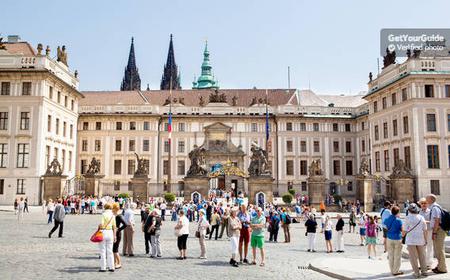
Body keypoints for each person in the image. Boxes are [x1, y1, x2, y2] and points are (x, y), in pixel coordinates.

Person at [404, 203, 428, 278]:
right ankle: (424, 271)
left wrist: (402, 235)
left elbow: (404, 230)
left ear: (409, 210)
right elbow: (425, 230)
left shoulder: (407, 218)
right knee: (422, 256)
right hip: (420, 239)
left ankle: (416, 273)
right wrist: (425, 240)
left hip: (411, 240)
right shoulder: (421, 217)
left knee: (413, 257)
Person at [426, 194, 448, 274]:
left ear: (431, 200)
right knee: (438, 249)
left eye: (427, 198)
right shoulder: (435, 207)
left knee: (439, 250)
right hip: (438, 230)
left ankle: (442, 268)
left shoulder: (434, 208)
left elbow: (437, 220)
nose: (425, 200)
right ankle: (440, 266)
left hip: (438, 230)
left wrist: (434, 232)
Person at [385, 206, 404, 276]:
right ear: (398, 212)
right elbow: (402, 230)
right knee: (397, 255)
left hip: (389, 238)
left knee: (390, 255)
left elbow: (386, 227)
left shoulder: (388, 219)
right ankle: (395, 271)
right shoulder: (399, 220)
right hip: (397, 239)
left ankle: (392, 270)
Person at [98, 203, 116, 272]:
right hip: (110, 232)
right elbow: (114, 227)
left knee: (102, 250)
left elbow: (101, 224)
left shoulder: (103, 214)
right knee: (110, 251)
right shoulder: (112, 215)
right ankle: (111, 267)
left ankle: (103, 267)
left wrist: (99, 226)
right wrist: (115, 236)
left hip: (104, 232)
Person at [418, 197, 433, 269]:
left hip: (429, 231)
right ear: (420, 204)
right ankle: (423, 263)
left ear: (427, 204)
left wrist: (424, 222)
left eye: (425, 203)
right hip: (421, 232)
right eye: (422, 203)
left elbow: (433, 222)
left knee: (429, 247)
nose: (423, 204)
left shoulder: (430, 212)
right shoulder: (419, 212)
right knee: (422, 248)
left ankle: (429, 264)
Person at [112, 203, 126, 269]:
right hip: (113, 233)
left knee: (115, 249)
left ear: (114, 209)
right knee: (113, 249)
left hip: (117, 234)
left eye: (112, 208)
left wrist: (119, 229)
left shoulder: (119, 216)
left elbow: (125, 224)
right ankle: (114, 263)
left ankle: (119, 263)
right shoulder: (113, 216)